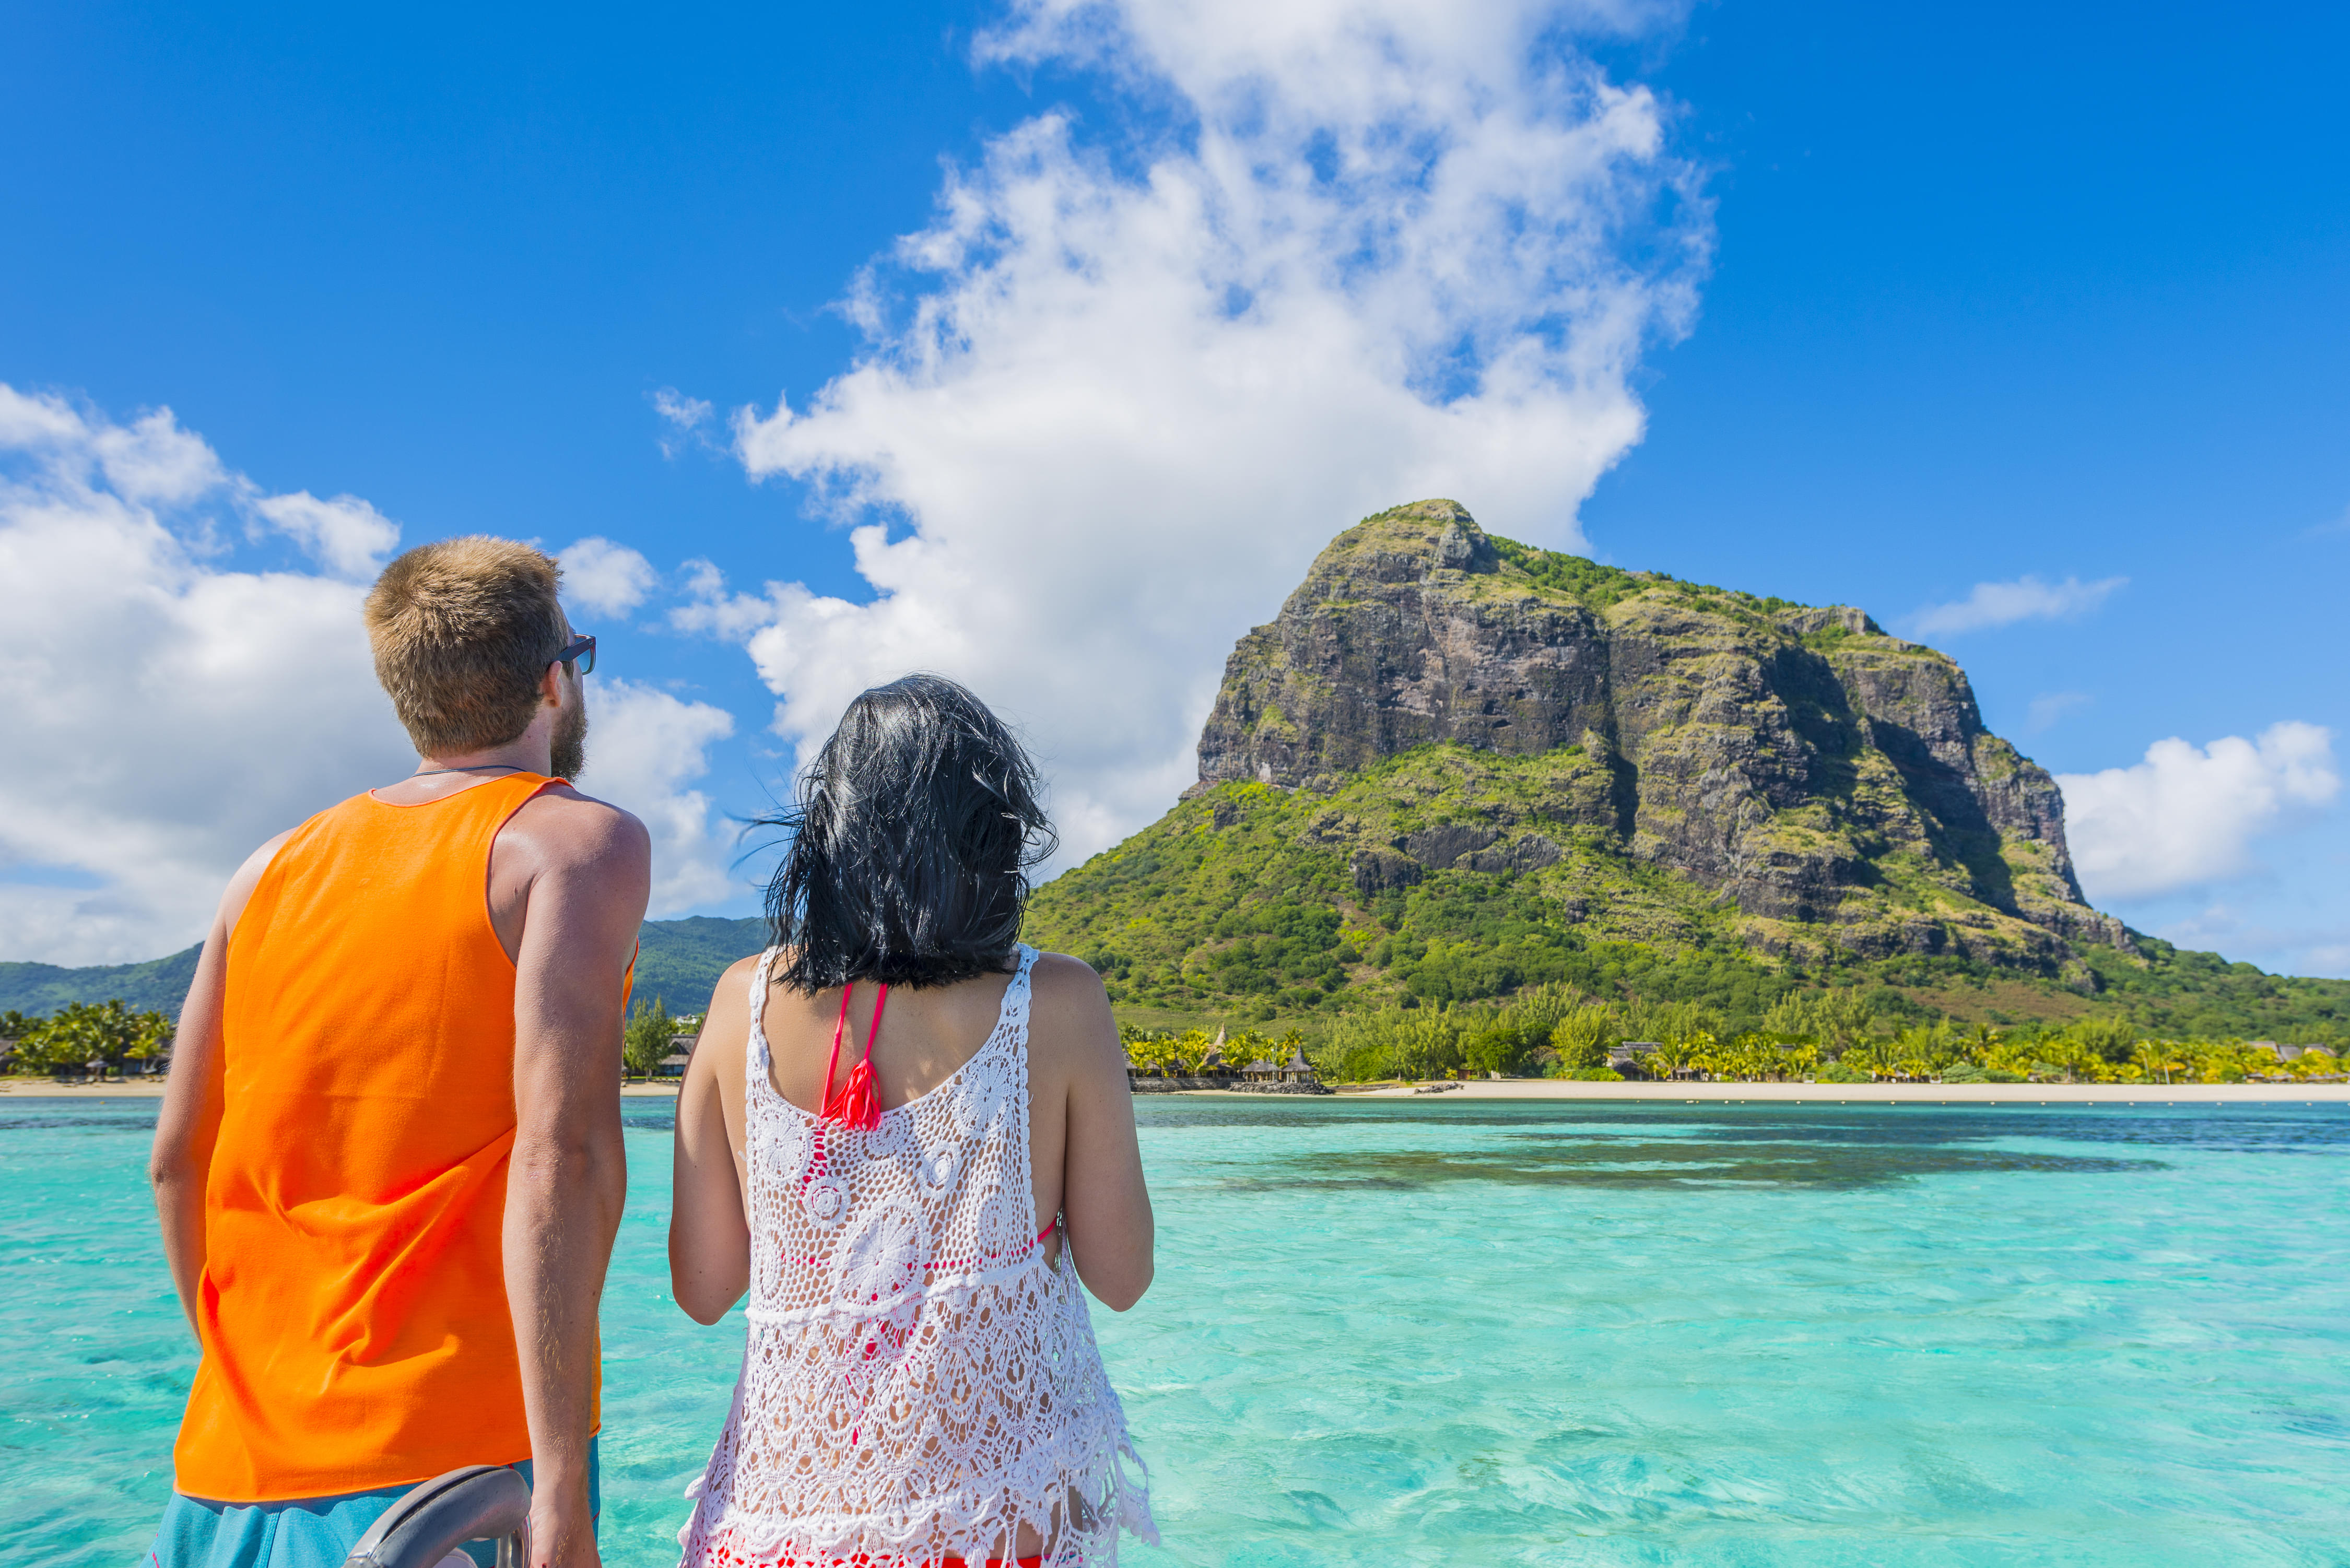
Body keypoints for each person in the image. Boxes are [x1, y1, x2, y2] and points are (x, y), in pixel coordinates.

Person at [145, 537, 651, 1568]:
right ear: (556, 680)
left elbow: (176, 1156)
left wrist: (249, 1380)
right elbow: (564, 1159)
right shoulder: (568, 844)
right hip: (452, 1466)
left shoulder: (266, 869)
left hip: (232, 1460)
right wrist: (558, 1488)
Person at [669, 674, 1157, 1568]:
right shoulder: (1055, 1001)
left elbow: (704, 1289)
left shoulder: (740, 1001)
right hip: (1001, 1519)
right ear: (991, 838)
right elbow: (1122, 1276)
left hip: (784, 1521)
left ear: (831, 835)